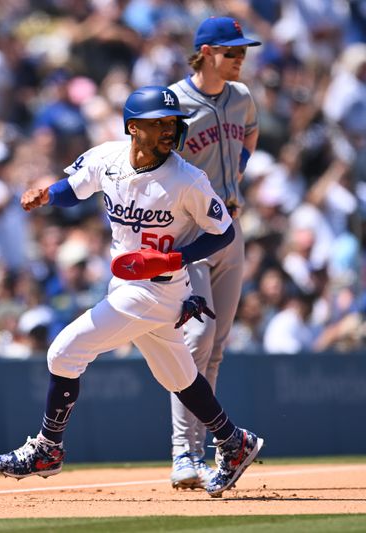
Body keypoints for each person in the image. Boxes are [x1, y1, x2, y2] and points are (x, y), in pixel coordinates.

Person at [0, 86, 263, 498]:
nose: (169, 130)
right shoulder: (107, 158)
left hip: (159, 291)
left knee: (64, 352)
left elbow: (222, 232)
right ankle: (233, 440)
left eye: (173, 123)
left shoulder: (187, 179)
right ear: (134, 127)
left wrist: (176, 258)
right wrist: (47, 194)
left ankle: (47, 449)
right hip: (127, 284)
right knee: (180, 378)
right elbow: (74, 187)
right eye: (159, 124)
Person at [167, 16, 261, 489]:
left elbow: (250, 135)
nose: (239, 58)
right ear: (205, 51)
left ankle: (206, 453)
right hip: (192, 235)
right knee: (196, 338)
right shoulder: (175, 103)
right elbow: (149, 158)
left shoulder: (242, 97)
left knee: (217, 346)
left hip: (232, 230)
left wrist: (237, 174)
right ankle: (183, 452)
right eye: (231, 51)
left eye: (242, 51)